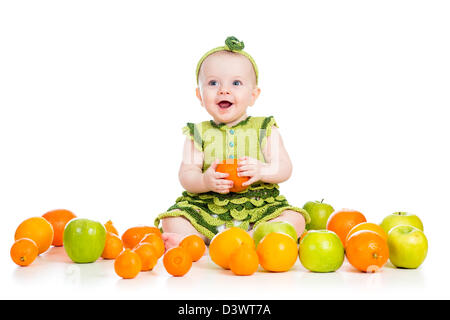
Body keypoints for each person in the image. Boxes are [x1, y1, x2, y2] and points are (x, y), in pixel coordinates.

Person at [154, 36, 310, 251]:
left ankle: (252, 238)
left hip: (258, 207)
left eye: (236, 83)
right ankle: (197, 242)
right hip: (208, 207)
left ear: (253, 95)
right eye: (213, 83)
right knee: (172, 219)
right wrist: (204, 181)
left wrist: (263, 170)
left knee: (295, 218)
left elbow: (284, 167)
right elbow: (186, 174)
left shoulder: (265, 128)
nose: (223, 90)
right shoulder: (197, 133)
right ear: (200, 95)